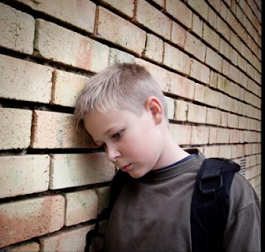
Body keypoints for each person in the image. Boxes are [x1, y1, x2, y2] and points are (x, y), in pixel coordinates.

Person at [74, 63, 261, 252]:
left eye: (116, 135)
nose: (111, 155)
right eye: (103, 145)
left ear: (154, 111)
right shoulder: (121, 185)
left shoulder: (227, 192)